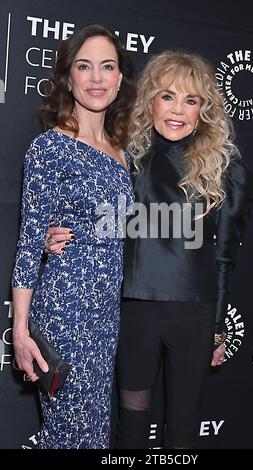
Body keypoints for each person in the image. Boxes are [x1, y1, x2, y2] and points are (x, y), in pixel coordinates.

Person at [46, 50, 253, 449]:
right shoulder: (125, 157)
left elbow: (224, 257)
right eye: (167, 96)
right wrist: (49, 236)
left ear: (203, 110)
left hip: (194, 313)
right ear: (149, 101)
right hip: (134, 307)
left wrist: (216, 327)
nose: (177, 110)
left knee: (182, 428)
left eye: (190, 100)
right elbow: (88, 212)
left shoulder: (223, 170)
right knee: (132, 420)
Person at [11, 24, 135, 449]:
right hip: (65, 312)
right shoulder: (50, 148)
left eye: (107, 67)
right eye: (85, 67)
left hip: (107, 320)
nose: (96, 78)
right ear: (68, 77)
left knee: (94, 438)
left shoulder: (124, 151)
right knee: (72, 436)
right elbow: (29, 243)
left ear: (120, 79)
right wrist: (21, 330)